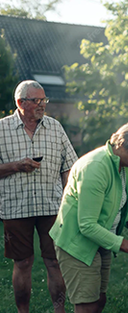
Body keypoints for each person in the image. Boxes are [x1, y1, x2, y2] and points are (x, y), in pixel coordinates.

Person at [49, 121, 128, 313]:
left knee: (99, 300)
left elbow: (114, 201)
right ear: (124, 145)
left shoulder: (121, 164)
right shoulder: (96, 167)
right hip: (78, 243)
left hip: (101, 240)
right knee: (86, 305)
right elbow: (87, 225)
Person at [0, 80, 78, 313]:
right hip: (15, 207)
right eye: (37, 101)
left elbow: (69, 167)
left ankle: (59, 310)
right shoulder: (1, 129)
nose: (42, 105)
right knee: (22, 262)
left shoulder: (55, 127)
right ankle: (23, 311)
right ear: (20, 102)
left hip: (52, 207)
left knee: (54, 261)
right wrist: (16, 166)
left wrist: (68, 201)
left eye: (44, 100)